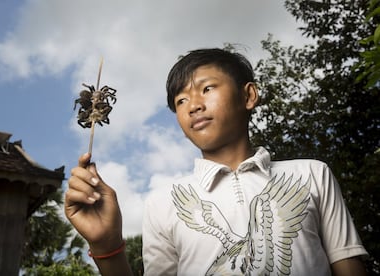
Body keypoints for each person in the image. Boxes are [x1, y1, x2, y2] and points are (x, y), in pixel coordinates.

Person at [65, 48, 368, 275]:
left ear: (248, 95)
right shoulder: (162, 201)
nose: (193, 105)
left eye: (207, 89)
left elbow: (348, 267)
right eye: (180, 101)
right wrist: (107, 248)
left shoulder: (312, 174)